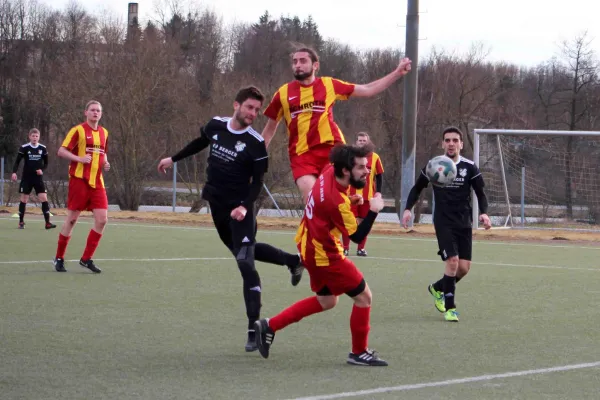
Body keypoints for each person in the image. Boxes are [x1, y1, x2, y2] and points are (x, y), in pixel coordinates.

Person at [157, 86, 304, 352]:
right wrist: (173, 158)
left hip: (241, 209)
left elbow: (258, 183)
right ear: (236, 105)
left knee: (245, 263)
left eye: (257, 110)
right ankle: (293, 261)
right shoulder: (216, 124)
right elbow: (200, 142)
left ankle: (253, 328)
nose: (253, 114)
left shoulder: (256, 144)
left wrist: (245, 207)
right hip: (217, 205)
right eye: (249, 107)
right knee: (242, 252)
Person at [254, 143, 388, 366]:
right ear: (346, 170)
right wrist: (373, 211)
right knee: (364, 298)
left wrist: (351, 201)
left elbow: (332, 204)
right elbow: (356, 236)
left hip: (309, 244)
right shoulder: (336, 202)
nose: (367, 171)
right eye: (362, 167)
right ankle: (359, 352)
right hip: (324, 255)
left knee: (326, 301)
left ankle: (269, 325)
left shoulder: (329, 171)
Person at [261, 46, 411, 203]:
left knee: (333, 200)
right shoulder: (283, 93)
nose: (298, 65)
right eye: (295, 62)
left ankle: (344, 204)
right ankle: (339, 205)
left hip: (332, 151)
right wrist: (255, 156)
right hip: (302, 154)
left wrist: (397, 73)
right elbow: (270, 129)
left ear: (315, 65)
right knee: (312, 199)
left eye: (303, 61)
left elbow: (367, 89)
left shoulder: (328, 85)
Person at [401, 126, 492, 322]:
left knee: (464, 268)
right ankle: (450, 308)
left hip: (464, 222)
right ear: (442, 144)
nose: (451, 144)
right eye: (447, 140)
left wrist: (484, 213)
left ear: (461, 144)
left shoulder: (470, 167)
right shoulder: (434, 166)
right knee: (452, 262)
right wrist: (408, 209)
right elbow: (417, 189)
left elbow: (480, 193)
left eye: (454, 140)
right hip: (443, 222)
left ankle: (437, 288)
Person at [53, 100, 110, 274]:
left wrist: (106, 162)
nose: (95, 113)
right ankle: (59, 257)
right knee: (71, 220)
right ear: (86, 112)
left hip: (97, 182)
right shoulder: (77, 130)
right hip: (79, 180)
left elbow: (103, 151)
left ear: (101, 114)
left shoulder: (104, 132)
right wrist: (79, 159)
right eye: (92, 110)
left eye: (98, 110)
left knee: (102, 219)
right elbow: (61, 151)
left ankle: (86, 259)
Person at [342, 132, 384, 256]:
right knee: (348, 222)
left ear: (368, 142)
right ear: (356, 142)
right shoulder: (349, 157)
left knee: (365, 223)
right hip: (351, 196)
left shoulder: (375, 157)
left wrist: (379, 192)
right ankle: (345, 248)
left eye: (364, 140)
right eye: (360, 140)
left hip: (367, 197)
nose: (362, 142)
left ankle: (361, 249)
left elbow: (379, 175)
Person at [11, 128, 56, 230]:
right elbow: (17, 162)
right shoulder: (24, 148)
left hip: (38, 179)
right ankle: (21, 222)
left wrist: (42, 170)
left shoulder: (43, 148)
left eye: (36, 136)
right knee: (24, 199)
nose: (35, 138)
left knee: (44, 198)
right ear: (29, 136)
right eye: (33, 136)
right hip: (27, 178)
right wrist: (14, 172)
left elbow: (46, 163)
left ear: (39, 137)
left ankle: (47, 223)